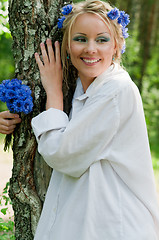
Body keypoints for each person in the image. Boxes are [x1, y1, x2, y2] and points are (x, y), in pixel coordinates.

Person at [31, 0, 159, 239]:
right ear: (67, 46)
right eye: (80, 38)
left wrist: (54, 91)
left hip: (114, 225)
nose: (91, 49)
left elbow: (60, 152)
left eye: (102, 40)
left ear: (117, 46)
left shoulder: (116, 90)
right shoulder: (85, 87)